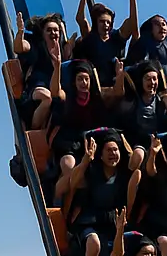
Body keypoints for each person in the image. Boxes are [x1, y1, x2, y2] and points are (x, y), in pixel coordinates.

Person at [57, 130, 140, 256]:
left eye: (115, 150)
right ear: (101, 155)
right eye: (108, 150)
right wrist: (86, 159)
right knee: (93, 242)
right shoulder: (92, 172)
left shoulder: (124, 175)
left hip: (114, 222)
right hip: (91, 222)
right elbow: (73, 183)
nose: (113, 153)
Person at [47, 58, 126, 190]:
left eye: (86, 79)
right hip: (69, 141)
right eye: (80, 79)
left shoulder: (98, 96)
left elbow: (118, 93)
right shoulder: (68, 97)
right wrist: (57, 67)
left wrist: (119, 75)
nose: (83, 83)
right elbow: (56, 92)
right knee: (69, 165)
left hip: (91, 141)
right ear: (74, 81)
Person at [75, 0, 138, 86]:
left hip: (114, 83)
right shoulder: (91, 37)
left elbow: (132, 23)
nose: (106, 25)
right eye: (102, 22)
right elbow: (80, 19)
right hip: (93, 83)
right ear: (96, 22)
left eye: (108, 22)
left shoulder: (116, 37)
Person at [11, 12, 70, 129]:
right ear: (43, 33)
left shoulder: (64, 50)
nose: (53, 33)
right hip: (36, 90)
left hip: (56, 88)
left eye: (56, 30)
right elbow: (19, 47)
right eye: (49, 30)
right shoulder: (36, 45)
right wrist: (20, 33)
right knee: (46, 97)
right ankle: (34, 131)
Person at [114, 59, 167, 149]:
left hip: (157, 142)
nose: (152, 82)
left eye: (154, 79)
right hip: (137, 143)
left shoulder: (161, 103)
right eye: (148, 79)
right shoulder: (132, 101)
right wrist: (119, 76)